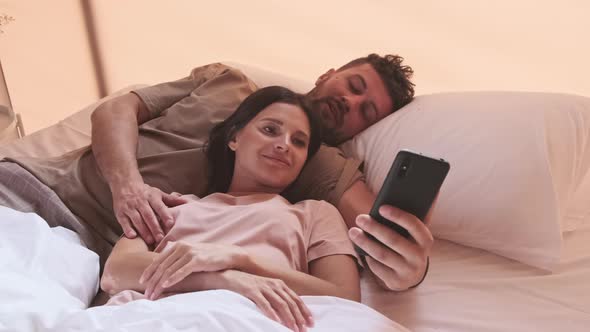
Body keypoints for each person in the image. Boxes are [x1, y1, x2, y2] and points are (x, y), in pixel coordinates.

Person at [0, 53, 432, 291]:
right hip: (38, 193)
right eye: (353, 87)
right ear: (330, 73)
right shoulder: (226, 81)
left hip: (95, 263)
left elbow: (379, 229)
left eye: (366, 111)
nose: (350, 104)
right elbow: (117, 108)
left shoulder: (314, 161)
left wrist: (413, 270)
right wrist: (127, 185)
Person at [101, 86, 360, 332]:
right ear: (234, 137)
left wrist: (241, 260)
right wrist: (222, 279)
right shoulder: (173, 204)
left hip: (245, 319)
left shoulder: (315, 213)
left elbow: (344, 298)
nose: (284, 145)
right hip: (144, 317)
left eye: (299, 142)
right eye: (270, 129)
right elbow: (117, 271)